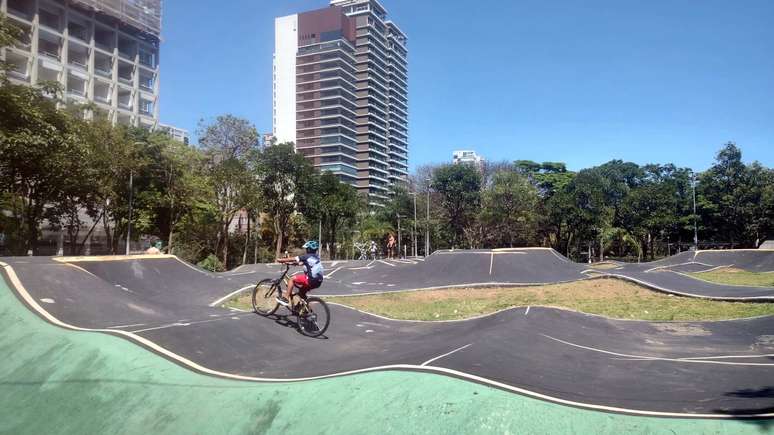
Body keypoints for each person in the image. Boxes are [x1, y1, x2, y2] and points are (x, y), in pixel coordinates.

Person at [276, 240, 324, 307]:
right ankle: (304, 308)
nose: (306, 250)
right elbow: (300, 263)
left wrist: (281, 260)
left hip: (310, 280)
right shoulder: (316, 258)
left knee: (292, 279)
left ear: (309, 249)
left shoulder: (306, 256)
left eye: (307, 249)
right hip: (319, 281)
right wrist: (289, 263)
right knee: (301, 292)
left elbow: (294, 259)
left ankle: (285, 299)